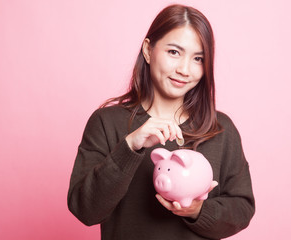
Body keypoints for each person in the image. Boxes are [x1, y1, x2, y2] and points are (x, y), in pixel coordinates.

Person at [68, 4, 255, 240]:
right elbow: (85, 210)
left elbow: (242, 209)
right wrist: (130, 147)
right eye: (174, 52)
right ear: (148, 50)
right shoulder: (107, 122)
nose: (184, 69)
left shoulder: (220, 129)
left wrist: (197, 211)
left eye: (198, 58)